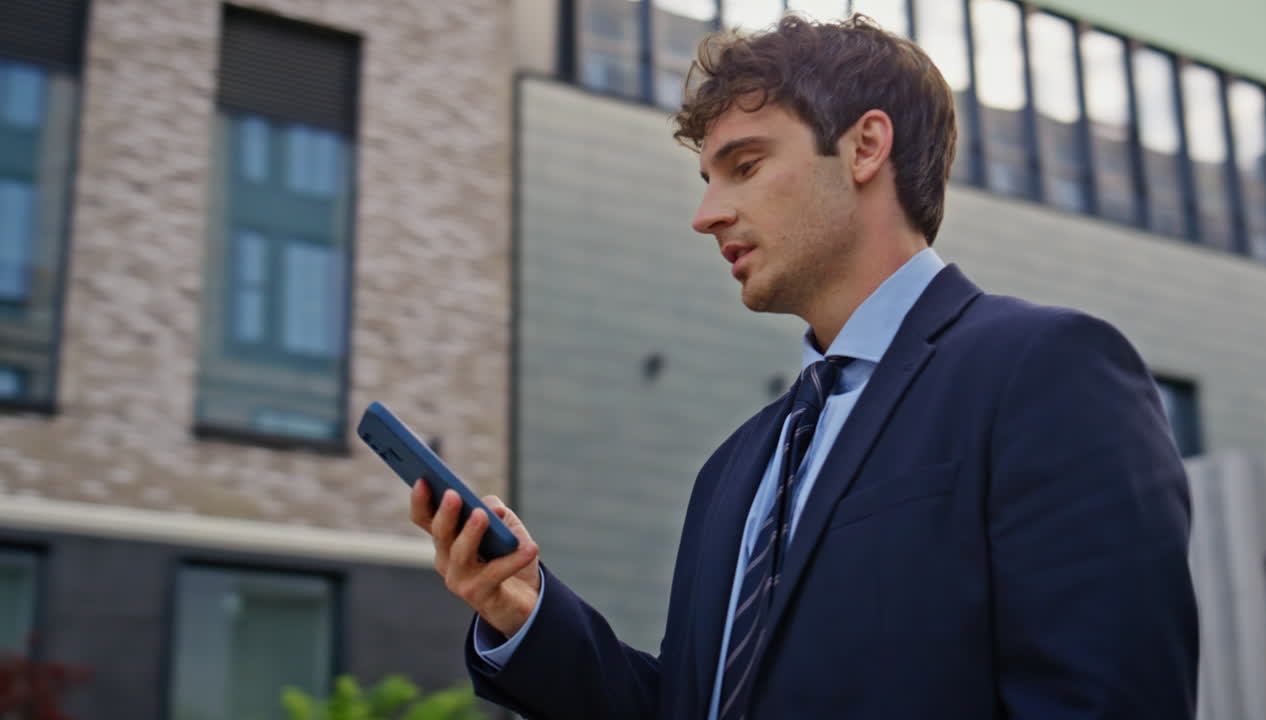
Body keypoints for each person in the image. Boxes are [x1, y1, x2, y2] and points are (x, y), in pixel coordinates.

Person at [410, 14, 1198, 719]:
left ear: (865, 147)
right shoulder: (731, 469)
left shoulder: (1047, 372)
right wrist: (528, 614)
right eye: (709, 179)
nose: (706, 215)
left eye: (745, 166)